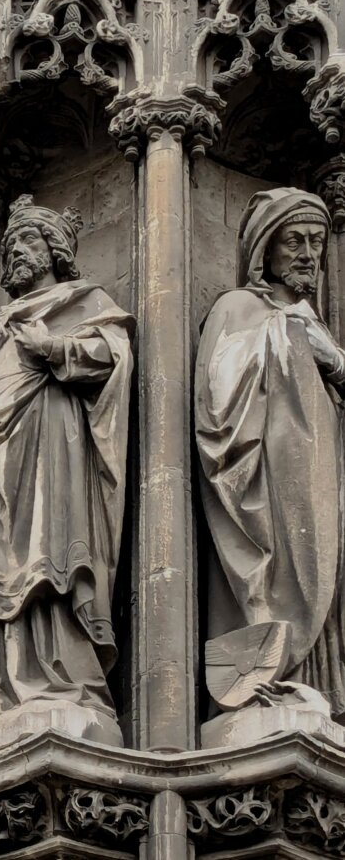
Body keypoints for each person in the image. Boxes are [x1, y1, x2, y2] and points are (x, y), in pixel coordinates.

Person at [0, 195, 134, 730]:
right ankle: (0, 689)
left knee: (47, 561)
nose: (15, 253)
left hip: (50, 451)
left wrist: (54, 348)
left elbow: (113, 356)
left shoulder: (83, 302)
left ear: (55, 250)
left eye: (27, 243)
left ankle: (61, 680)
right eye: (10, 245)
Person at [196, 187, 345, 713]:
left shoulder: (318, 324)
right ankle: (264, 677)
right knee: (282, 558)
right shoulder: (240, 307)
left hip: (319, 467)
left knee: (320, 562)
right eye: (295, 240)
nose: (308, 254)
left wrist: (333, 360)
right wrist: (280, 333)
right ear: (266, 248)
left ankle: (307, 678)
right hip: (267, 466)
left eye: (317, 242)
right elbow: (218, 399)